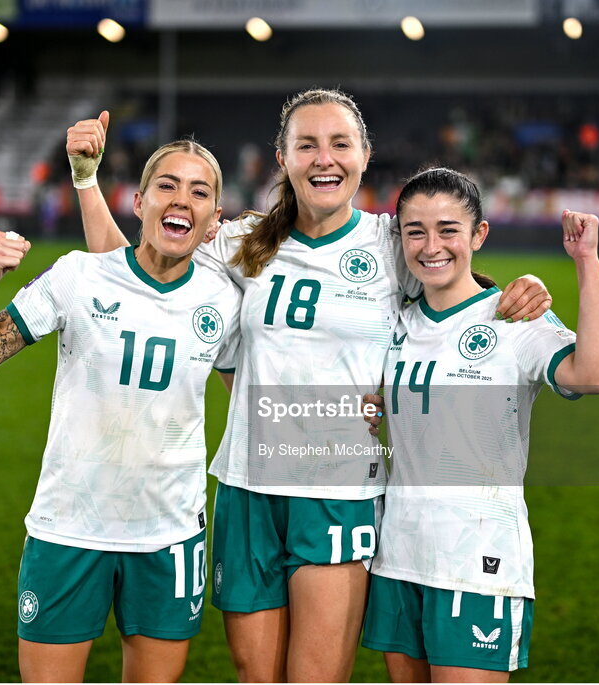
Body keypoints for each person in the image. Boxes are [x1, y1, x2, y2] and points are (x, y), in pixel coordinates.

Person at [66, 90, 554, 682]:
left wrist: (518, 287)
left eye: (340, 144)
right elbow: (130, 283)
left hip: (339, 491)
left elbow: (455, 283)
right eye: (307, 145)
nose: (325, 159)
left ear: (365, 155)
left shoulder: (388, 244)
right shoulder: (241, 240)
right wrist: (88, 183)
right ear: (283, 158)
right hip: (248, 488)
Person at [0, 140, 240, 683]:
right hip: (68, 530)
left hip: (169, 536)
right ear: (139, 201)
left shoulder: (225, 300)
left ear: (214, 218)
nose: (181, 199)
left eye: (199, 192)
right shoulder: (78, 276)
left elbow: (249, 396)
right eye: (167, 186)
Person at [361, 168, 599, 682]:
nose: (432, 246)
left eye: (449, 229)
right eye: (416, 231)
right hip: (399, 555)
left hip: (478, 561)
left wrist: (586, 263)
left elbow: (593, 375)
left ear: (478, 235)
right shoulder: (396, 324)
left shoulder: (515, 321)